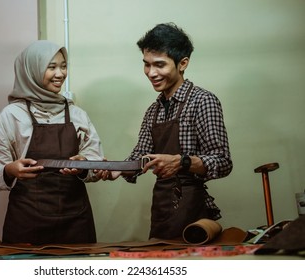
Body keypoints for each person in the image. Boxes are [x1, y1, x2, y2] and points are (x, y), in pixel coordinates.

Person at [98, 23, 233, 240]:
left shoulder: (203, 101)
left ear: (182, 63)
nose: (151, 73)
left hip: (193, 210)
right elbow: (139, 157)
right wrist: (114, 170)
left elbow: (223, 162)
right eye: (146, 65)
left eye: (159, 65)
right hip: (162, 207)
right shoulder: (153, 111)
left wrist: (182, 162)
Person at [0, 40, 104, 245]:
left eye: (63, 66)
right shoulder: (13, 115)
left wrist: (84, 166)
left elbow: (98, 164)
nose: (60, 74)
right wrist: (10, 170)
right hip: (27, 221)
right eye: (51, 67)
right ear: (32, 70)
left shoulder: (77, 114)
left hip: (75, 221)